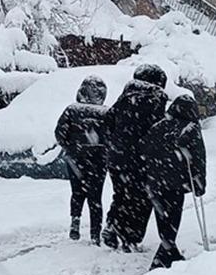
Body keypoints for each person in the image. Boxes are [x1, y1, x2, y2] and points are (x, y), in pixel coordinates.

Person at [102, 64, 169, 251]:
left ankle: (112, 225)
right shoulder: (156, 97)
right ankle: (129, 238)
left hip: (117, 157)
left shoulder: (125, 96)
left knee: (122, 193)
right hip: (140, 158)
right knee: (141, 198)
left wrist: (115, 144)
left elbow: (108, 121)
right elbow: (157, 130)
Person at [139, 94, 207, 269]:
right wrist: (199, 183)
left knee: (162, 216)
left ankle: (171, 252)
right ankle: (160, 258)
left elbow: (145, 150)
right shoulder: (191, 128)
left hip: (154, 181)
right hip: (175, 182)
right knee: (174, 216)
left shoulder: (158, 126)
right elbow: (198, 158)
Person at [55, 75, 109, 245]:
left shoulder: (71, 110)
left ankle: (75, 222)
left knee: (77, 192)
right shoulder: (105, 113)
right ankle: (95, 234)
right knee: (95, 197)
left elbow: (59, 133)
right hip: (98, 161)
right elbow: (113, 136)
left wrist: (70, 148)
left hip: (75, 159)